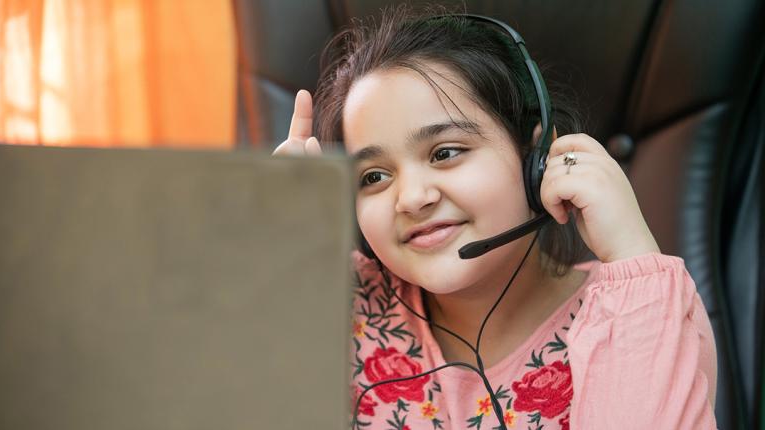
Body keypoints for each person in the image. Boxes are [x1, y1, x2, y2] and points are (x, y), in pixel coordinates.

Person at [274, 7, 717, 429]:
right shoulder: (333, 299)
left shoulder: (646, 311)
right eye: (373, 176)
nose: (411, 199)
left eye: (445, 153)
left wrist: (631, 255)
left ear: (537, 156)